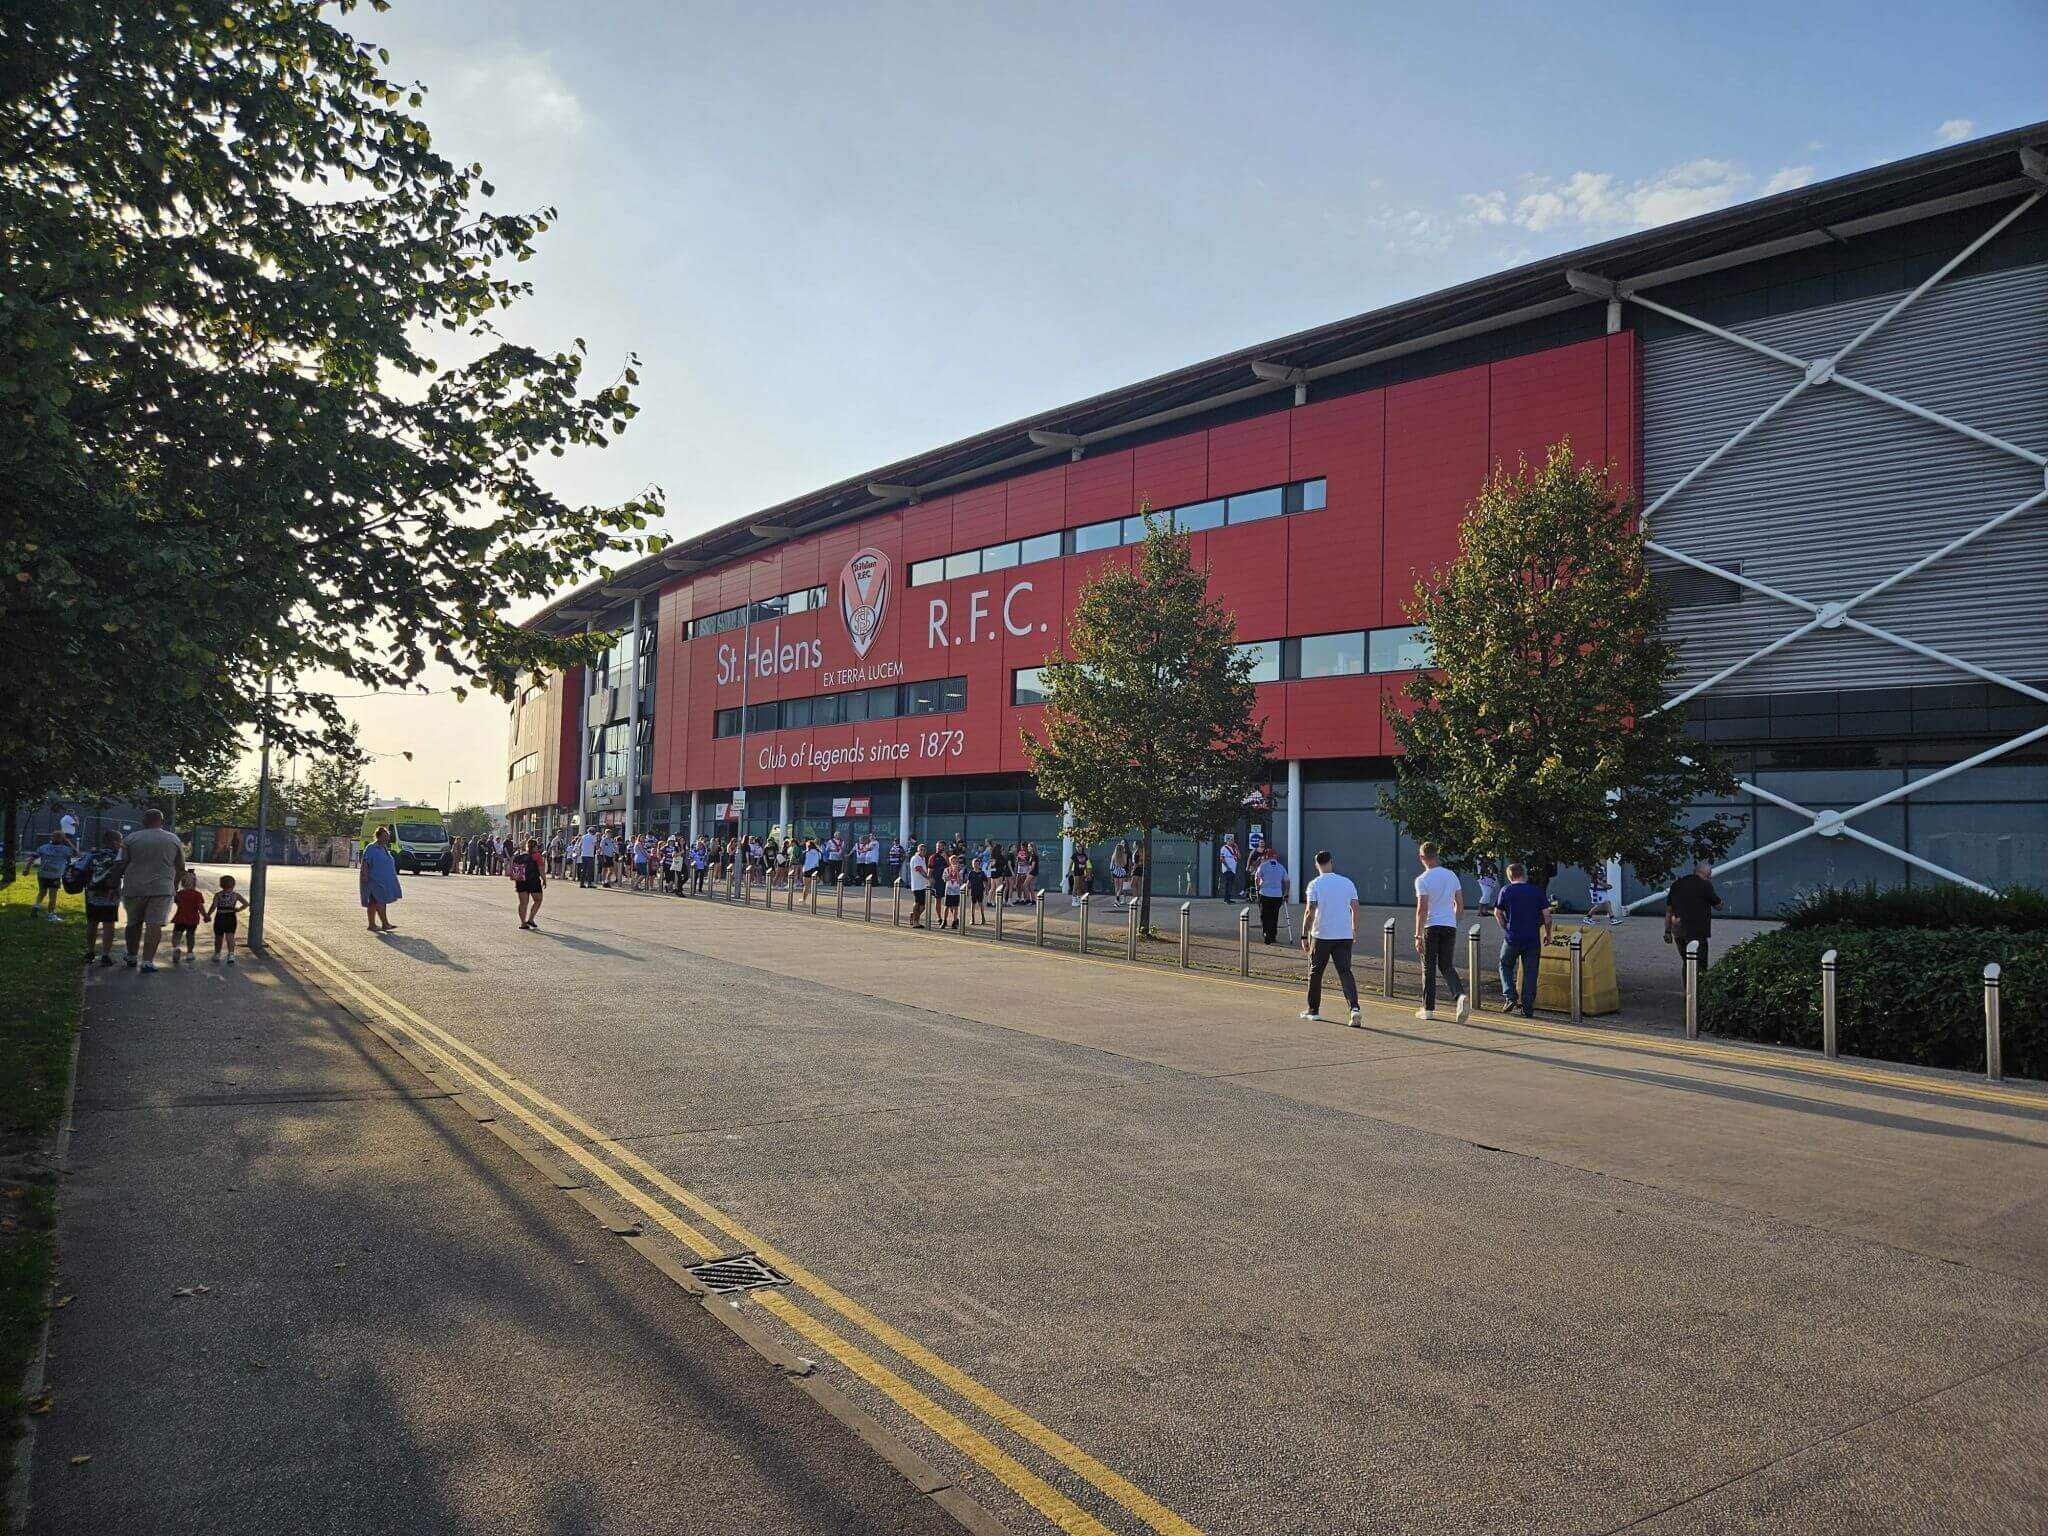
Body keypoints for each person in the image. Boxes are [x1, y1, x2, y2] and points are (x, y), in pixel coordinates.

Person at [115, 809, 185, 972]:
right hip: (162, 889)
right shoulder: (173, 839)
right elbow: (181, 867)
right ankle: (147, 962)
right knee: (154, 925)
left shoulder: (131, 838)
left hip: (134, 887)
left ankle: (132, 956)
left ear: (144, 821)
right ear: (161, 821)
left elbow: (121, 864)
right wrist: (174, 885)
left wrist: (115, 885)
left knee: (133, 923)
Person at [1299, 850, 1362, 1027]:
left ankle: (1313, 1010)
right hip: (1344, 934)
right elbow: (1355, 907)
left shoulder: (1314, 884)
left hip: (1322, 935)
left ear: (1316, 865)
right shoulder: (1346, 882)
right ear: (1331, 862)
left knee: (1316, 972)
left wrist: (1305, 934)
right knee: (1345, 972)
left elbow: (1310, 910)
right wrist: (1354, 929)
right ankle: (1354, 1008)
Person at [1412, 842, 1468, 1022]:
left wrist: (1418, 935)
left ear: (1422, 857)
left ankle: (1428, 1009)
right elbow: (1459, 903)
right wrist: (1454, 919)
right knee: (1446, 965)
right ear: (1437, 854)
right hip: (1449, 925)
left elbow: (1422, 908)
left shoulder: (1422, 879)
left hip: (1431, 926)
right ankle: (1459, 995)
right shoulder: (1451, 875)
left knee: (1428, 967)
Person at [1492, 862, 1552, 1018]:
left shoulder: (1506, 890)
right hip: (1532, 938)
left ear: (1510, 876)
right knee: (1530, 972)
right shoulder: (1536, 891)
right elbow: (1547, 915)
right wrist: (1548, 933)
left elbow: (1497, 913)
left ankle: (1510, 996)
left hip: (1512, 937)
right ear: (1523, 874)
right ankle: (1527, 1008)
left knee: (1505, 964)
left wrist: (1505, 928)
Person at [1664, 859, 1723, 977]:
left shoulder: (1676, 885)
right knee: (1700, 965)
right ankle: (1699, 992)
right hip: (1697, 931)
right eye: (1709, 876)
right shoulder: (1705, 885)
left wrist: (1667, 931)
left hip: (1679, 930)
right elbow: (1718, 906)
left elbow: (1669, 911)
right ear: (1707, 874)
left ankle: (1687, 992)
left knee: (1687, 963)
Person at [80, 830, 124, 966]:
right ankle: (105, 955)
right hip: (111, 895)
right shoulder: (117, 856)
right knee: (108, 924)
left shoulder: (93, 854)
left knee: (92, 923)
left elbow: (83, 870)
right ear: (116, 842)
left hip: (92, 893)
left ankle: (90, 952)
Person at [360, 824, 402, 932]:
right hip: (374, 880)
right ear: (378, 836)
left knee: (373, 902)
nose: (386, 838)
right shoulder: (372, 848)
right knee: (380, 901)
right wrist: (364, 876)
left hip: (384, 880)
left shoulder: (384, 848)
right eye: (384, 836)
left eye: (387, 836)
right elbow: (365, 863)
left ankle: (372, 925)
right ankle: (385, 924)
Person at [32, 830, 71, 922]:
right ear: (62, 839)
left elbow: (33, 857)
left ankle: (36, 907)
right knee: (52, 896)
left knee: (42, 892)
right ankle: (50, 914)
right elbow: (77, 854)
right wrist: (69, 842)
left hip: (42, 874)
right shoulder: (65, 849)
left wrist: (26, 868)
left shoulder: (43, 847)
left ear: (51, 838)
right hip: (55, 876)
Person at [208, 874, 248, 964]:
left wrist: (208, 915)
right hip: (231, 916)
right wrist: (238, 909)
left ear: (221, 885)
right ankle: (231, 955)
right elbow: (246, 903)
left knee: (219, 936)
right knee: (230, 936)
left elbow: (213, 906)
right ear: (234, 885)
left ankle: (217, 954)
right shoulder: (236, 895)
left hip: (220, 917)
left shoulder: (218, 895)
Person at [169, 870, 206, 963]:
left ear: (182, 883)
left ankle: (176, 948)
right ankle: (190, 953)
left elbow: (174, 901)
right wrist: (205, 916)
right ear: (194, 883)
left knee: (176, 935)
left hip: (180, 917)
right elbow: (200, 907)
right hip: (193, 919)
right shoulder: (197, 894)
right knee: (190, 936)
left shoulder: (179, 894)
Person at [510, 836, 546, 929]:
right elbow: (541, 869)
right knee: (538, 900)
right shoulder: (537, 855)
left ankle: (523, 923)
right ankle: (530, 918)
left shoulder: (519, 856)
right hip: (533, 881)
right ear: (535, 847)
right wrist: (544, 879)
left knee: (523, 903)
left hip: (521, 880)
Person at [1254, 848, 1289, 945]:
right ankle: (1273, 936)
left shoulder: (1262, 866)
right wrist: (1286, 893)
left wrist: (1257, 889)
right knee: (1274, 916)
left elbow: (1257, 878)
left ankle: (1266, 934)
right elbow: (1287, 881)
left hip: (1265, 894)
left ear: (1267, 856)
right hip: (1277, 895)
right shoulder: (1281, 867)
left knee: (1265, 916)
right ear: (1275, 857)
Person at [907, 842, 931, 929]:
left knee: (923, 905)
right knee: (918, 903)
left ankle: (914, 917)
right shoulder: (916, 858)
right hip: (917, 885)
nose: (923, 851)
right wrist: (928, 877)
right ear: (918, 850)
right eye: (921, 849)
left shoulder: (923, 858)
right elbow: (919, 869)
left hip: (922, 885)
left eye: (924, 850)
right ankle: (915, 922)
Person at [942, 852, 964, 930]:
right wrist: (951, 872)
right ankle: (944, 921)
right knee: (947, 906)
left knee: (955, 907)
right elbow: (945, 879)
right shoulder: (946, 869)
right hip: (948, 891)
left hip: (956, 891)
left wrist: (957, 872)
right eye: (952, 861)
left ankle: (954, 921)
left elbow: (959, 881)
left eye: (956, 861)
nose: (954, 863)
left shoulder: (960, 870)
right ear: (950, 862)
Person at [1218, 835, 1240, 904]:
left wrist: (1237, 848)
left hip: (1233, 869)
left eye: (1232, 840)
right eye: (1230, 840)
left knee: (1230, 884)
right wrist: (1227, 866)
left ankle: (1228, 898)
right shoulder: (1224, 848)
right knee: (1228, 884)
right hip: (1228, 869)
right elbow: (1222, 858)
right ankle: (1226, 899)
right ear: (1227, 841)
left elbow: (1239, 856)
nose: (1232, 841)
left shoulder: (1234, 849)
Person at [1109, 839, 1130, 907]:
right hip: (1122, 873)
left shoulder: (1114, 856)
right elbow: (1125, 864)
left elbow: (1111, 866)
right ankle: (1117, 899)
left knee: (1116, 887)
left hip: (1115, 872)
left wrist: (1111, 874)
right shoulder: (1124, 855)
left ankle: (1116, 899)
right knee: (1120, 887)